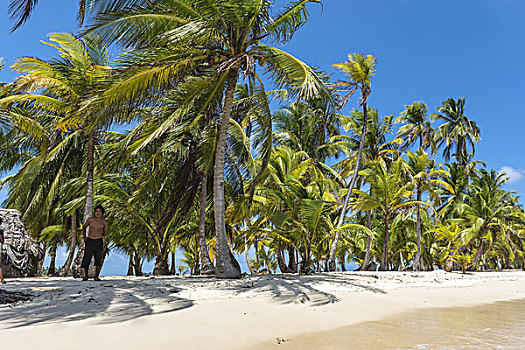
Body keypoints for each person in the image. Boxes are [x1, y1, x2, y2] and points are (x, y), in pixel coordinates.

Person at [81, 205, 108, 281]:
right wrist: (84, 237)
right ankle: (85, 276)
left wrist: (102, 234)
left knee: (98, 259)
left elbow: (106, 232)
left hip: (99, 241)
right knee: (87, 258)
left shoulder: (104, 222)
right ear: (94, 212)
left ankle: (96, 276)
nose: (98, 213)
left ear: (102, 213)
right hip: (90, 240)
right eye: (96, 211)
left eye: (99, 211)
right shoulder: (90, 220)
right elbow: (84, 227)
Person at [0, 217, 6, 284]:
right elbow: (2, 241)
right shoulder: (1, 231)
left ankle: (1, 279)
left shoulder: (1, 231)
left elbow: (2, 241)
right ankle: (1, 279)